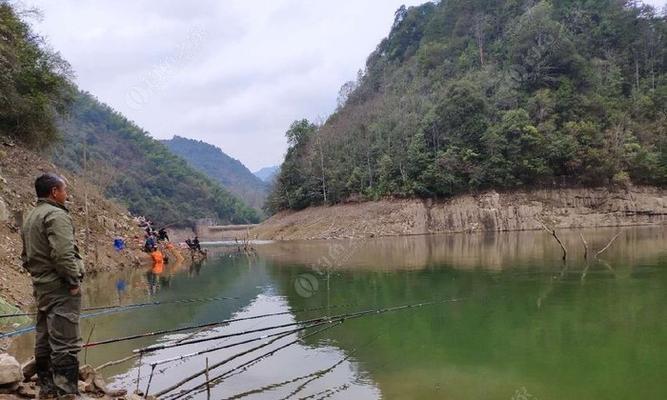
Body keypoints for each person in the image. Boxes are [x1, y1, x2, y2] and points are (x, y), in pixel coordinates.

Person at [21, 173, 85, 398]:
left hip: (42, 287)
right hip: (60, 287)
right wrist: (73, 281)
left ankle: (47, 390)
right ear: (54, 192)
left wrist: (41, 279)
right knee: (66, 342)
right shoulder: (56, 215)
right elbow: (63, 255)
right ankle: (67, 393)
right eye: (64, 190)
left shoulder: (31, 216)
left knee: (45, 338)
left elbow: (25, 257)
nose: (66, 195)